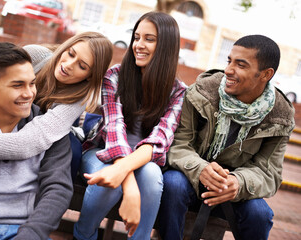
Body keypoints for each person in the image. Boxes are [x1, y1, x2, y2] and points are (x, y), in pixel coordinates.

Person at [157, 34, 295, 240]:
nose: (228, 70)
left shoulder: (280, 116)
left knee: (261, 214)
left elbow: (269, 173)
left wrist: (238, 183)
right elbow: (178, 144)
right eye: (229, 61)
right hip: (190, 179)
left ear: (266, 74)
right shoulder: (202, 92)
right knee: (173, 184)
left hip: (233, 192)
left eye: (241, 65)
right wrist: (200, 168)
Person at [73, 11, 186, 240]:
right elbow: (114, 131)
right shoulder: (114, 76)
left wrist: (125, 172)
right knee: (109, 180)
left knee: (153, 175)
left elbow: (158, 142)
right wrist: (129, 186)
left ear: (166, 46)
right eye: (136, 37)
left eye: (149, 39)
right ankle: (83, 235)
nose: (139, 45)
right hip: (102, 152)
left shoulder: (177, 91)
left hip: (144, 162)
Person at [0, 32, 113, 181]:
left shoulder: (78, 98)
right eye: (71, 53)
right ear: (65, 47)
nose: (69, 64)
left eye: (82, 66)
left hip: (41, 132)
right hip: (10, 116)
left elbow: (27, 142)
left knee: (71, 150)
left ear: (90, 76)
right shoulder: (33, 55)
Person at [0, 42, 73, 239]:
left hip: (24, 229)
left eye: (32, 83)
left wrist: (32, 233)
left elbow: (57, 189)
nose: (28, 94)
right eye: (18, 85)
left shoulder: (50, 131)